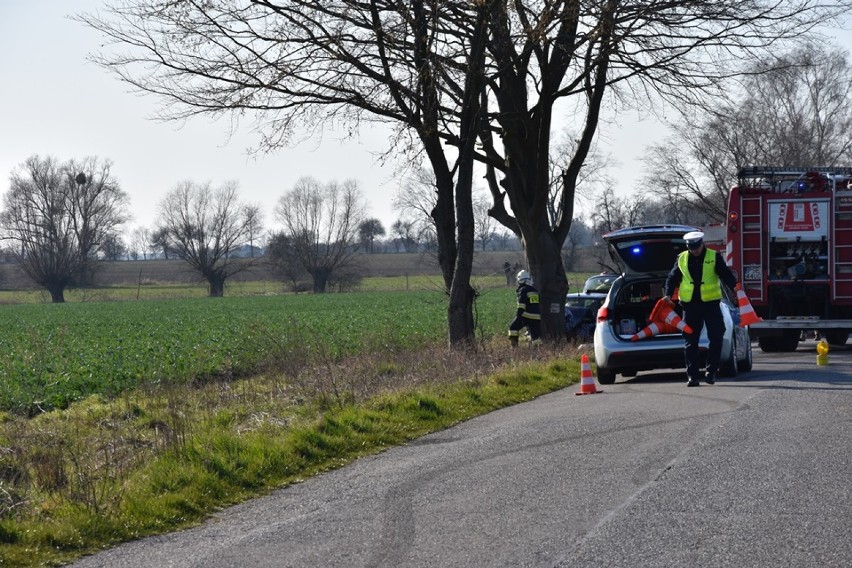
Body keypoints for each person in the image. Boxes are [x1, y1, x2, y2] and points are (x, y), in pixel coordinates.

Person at [662, 231, 737, 387]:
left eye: (696, 247)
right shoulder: (682, 258)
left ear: (702, 243)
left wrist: (735, 288)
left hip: (710, 304)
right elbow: (672, 277)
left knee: (716, 337)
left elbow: (725, 274)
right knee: (691, 341)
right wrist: (668, 294)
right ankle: (693, 376)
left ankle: (711, 371)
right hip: (690, 305)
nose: (694, 250)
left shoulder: (713, 256)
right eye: (691, 247)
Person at [508, 270, 541, 347]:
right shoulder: (534, 290)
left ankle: (514, 347)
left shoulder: (523, 290)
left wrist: (518, 317)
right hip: (536, 317)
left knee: (513, 327)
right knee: (535, 335)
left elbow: (521, 305)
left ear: (520, 281)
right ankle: (538, 350)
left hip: (525, 316)